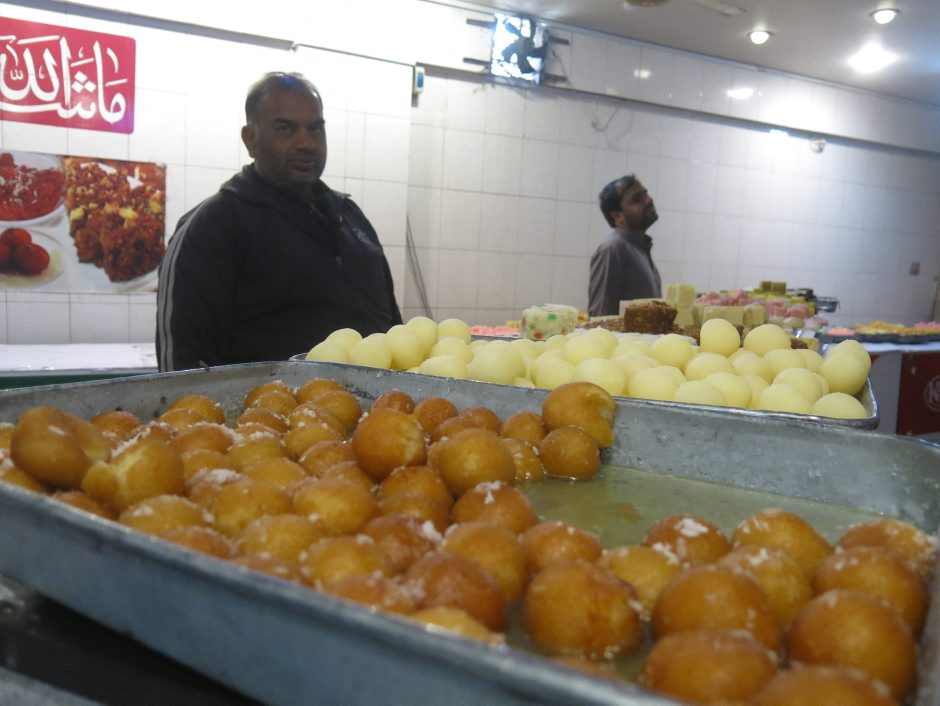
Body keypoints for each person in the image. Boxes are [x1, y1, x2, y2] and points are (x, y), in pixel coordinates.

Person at [156, 72, 402, 371]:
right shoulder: (213, 226)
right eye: (286, 129)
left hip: (380, 402)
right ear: (250, 139)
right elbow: (182, 365)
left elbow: (393, 332)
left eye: (315, 129)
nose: (306, 143)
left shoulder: (351, 219)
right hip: (268, 402)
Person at [588, 175, 662, 317]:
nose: (649, 200)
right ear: (618, 217)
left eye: (646, 194)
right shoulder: (613, 249)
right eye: (637, 199)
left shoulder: (638, 247)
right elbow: (600, 318)